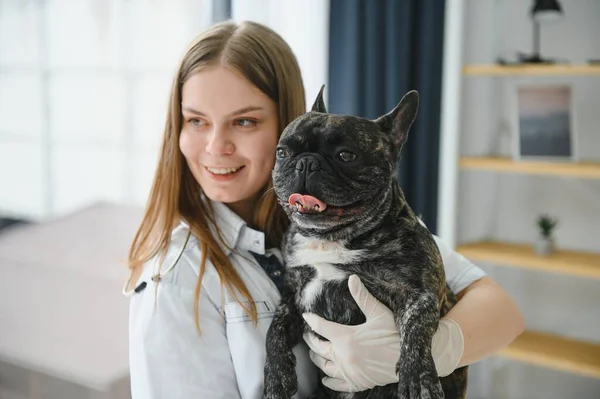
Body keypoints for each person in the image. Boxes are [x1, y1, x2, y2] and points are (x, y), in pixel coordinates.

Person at [124, 19, 525, 398]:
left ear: (291, 120)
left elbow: (502, 311)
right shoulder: (177, 281)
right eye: (196, 121)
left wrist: (435, 351)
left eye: (244, 122)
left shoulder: (362, 216)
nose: (216, 146)